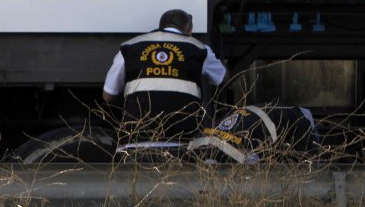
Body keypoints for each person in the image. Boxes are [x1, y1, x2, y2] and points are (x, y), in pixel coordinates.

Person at [102, 9, 226, 158]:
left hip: (135, 140)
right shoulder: (199, 48)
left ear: (161, 25)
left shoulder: (129, 47)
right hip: (181, 143)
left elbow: (108, 96)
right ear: (189, 30)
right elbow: (222, 78)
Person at [187, 104, 320, 164]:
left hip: (199, 143)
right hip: (235, 151)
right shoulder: (299, 121)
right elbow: (309, 165)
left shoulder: (278, 113)